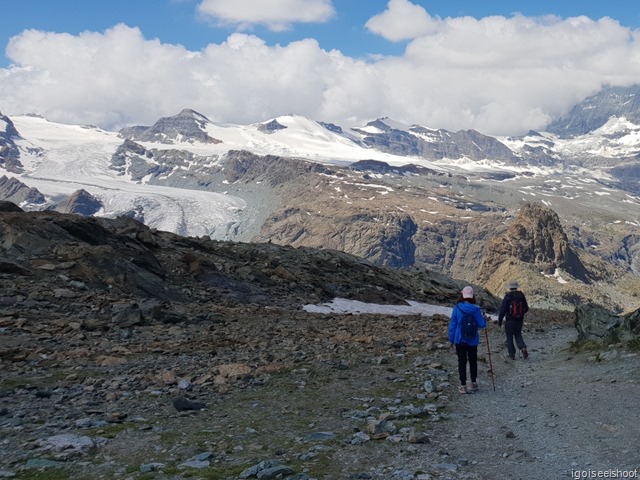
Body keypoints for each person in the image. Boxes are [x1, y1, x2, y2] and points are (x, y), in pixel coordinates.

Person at [448, 286, 487, 394]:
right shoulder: (476, 309)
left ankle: (463, 386)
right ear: (472, 296)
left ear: (462, 295)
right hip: (473, 340)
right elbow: (482, 325)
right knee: (473, 361)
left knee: (462, 361)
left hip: (459, 340)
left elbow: (453, 325)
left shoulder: (457, 308)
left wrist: (451, 340)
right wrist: (484, 318)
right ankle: (473, 383)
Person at [498, 280, 530, 360]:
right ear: (517, 287)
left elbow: (503, 309)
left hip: (510, 320)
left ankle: (512, 354)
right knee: (518, 334)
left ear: (510, 288)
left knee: (509, 337)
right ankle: (523, 348)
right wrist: (521, 315)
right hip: (519, 320)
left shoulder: (508, 296)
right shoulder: (521, 295)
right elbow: (526, 308)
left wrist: (500, 321)